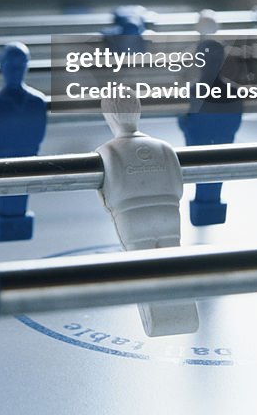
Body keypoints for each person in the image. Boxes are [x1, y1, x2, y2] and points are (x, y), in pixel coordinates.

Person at [97, 93, 199, 336]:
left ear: (109, 117)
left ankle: (160, 322)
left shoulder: (107, 152)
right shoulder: (164, 147)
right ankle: (182, 318)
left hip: (132, 218)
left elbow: (111, 193)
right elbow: (177, 186)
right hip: (168, 214)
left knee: (143, 269)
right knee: (173, 266)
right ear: (138, 111)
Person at [0, 42, 47, 241]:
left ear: (27, 66)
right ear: (1, 66)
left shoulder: (37, 102)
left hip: (25, 162)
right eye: (10, 65)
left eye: (20, 65)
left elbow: (37, 135)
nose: (15, 70)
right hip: (2, 165)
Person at [177, 39, 242, 225]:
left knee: (208, 180)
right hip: (215, 143)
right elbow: (233, 123)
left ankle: (207, 211)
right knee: (212, 180)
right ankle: (207, 210)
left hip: (204, 143)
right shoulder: (231, 92)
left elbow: (184, 120)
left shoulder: (194, 91)